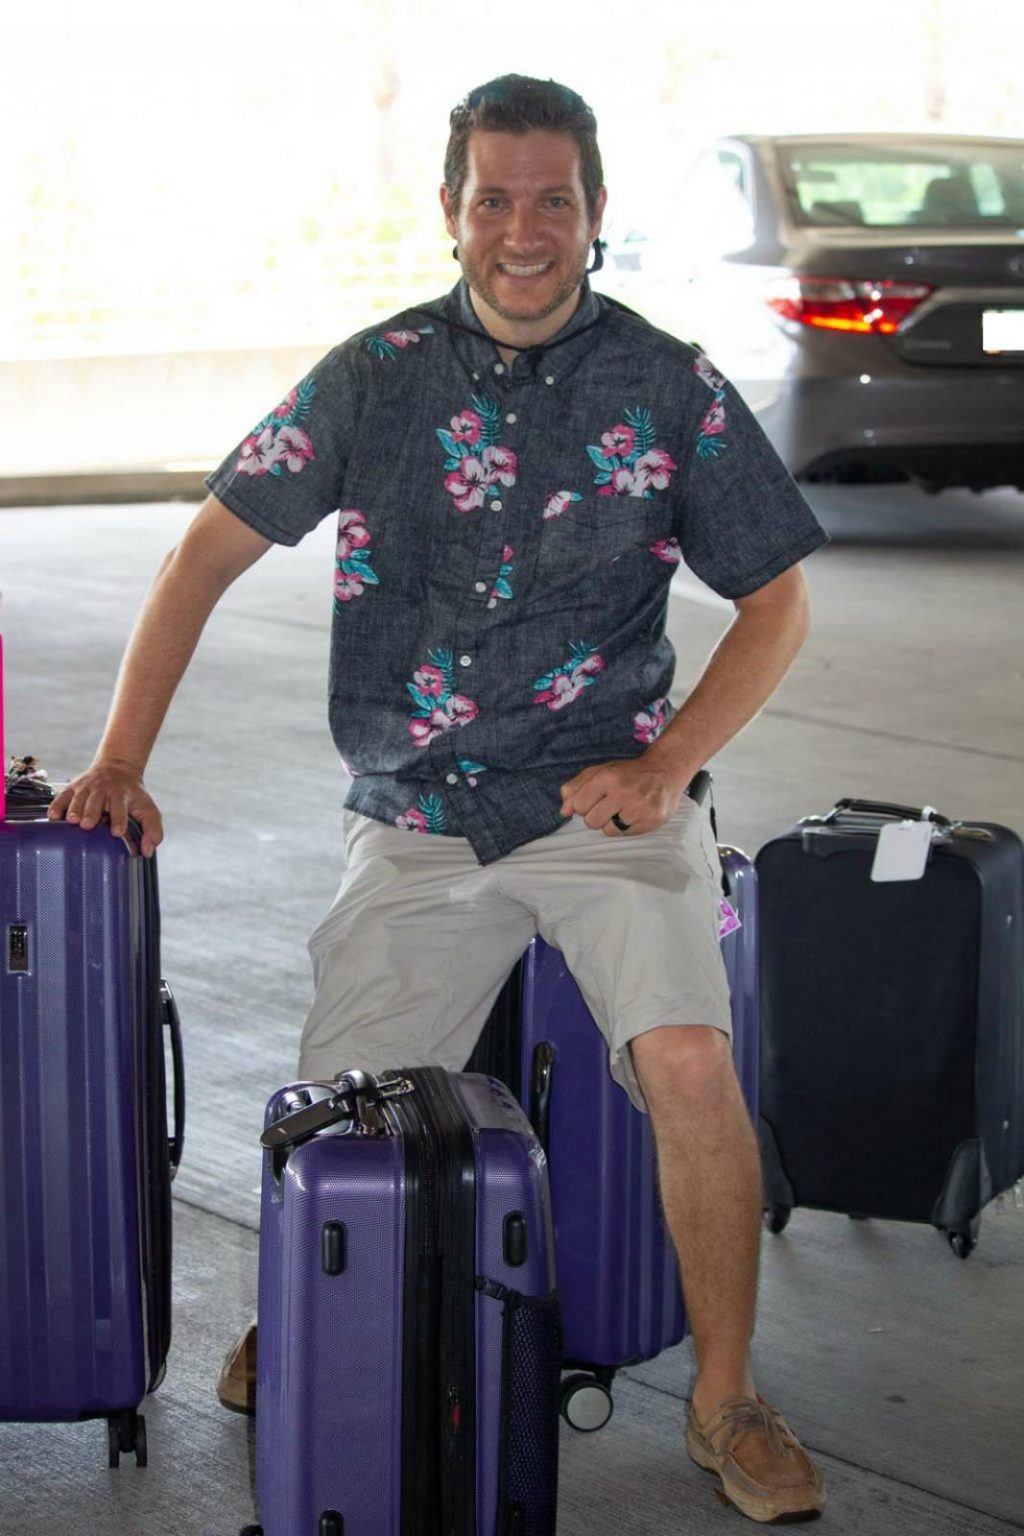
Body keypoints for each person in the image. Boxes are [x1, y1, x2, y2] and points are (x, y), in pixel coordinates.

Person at [50, 75, 829, 1524]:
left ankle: (729, 1402)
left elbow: (777, 601)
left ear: (595, 216)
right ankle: (307, 1314)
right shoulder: (376, 375)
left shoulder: (669, 386)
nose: (521, 229)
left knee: (689, 1064)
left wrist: (667, 766)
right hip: (413, 820)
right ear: (452, 211)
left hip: (612, 820)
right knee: (333, 1118)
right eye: (493, 198)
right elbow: (200, 560)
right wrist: (121, 763)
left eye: (552, 199)